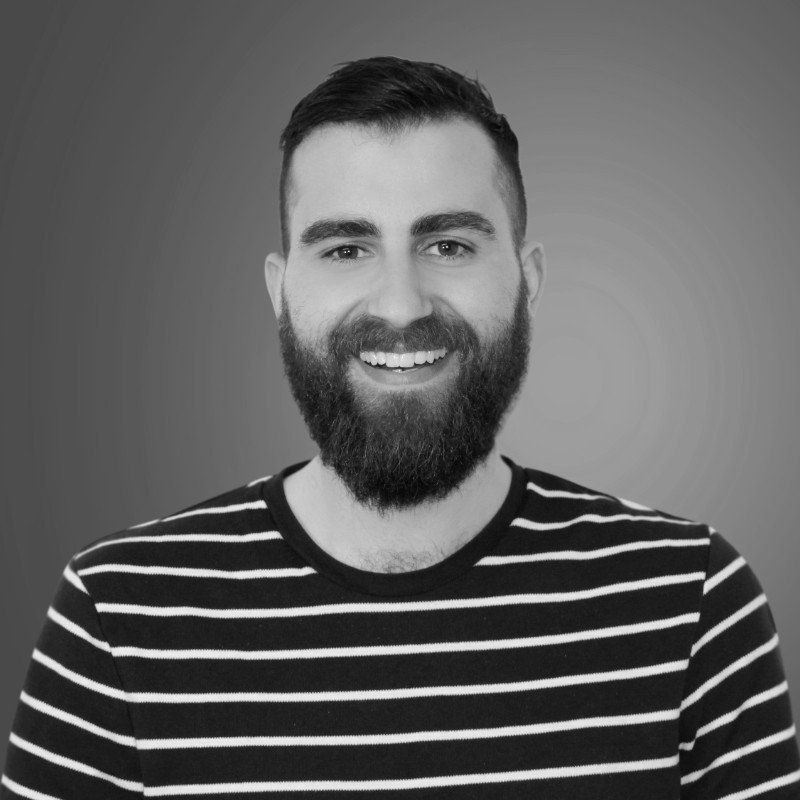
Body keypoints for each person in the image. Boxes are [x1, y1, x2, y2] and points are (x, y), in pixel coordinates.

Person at [2, 56, 798, 800]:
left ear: (528, 280)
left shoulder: (690, 600)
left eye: (447, 243)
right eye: (346, 247)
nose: (400, 304)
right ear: (281, 293)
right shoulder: (120, 616)